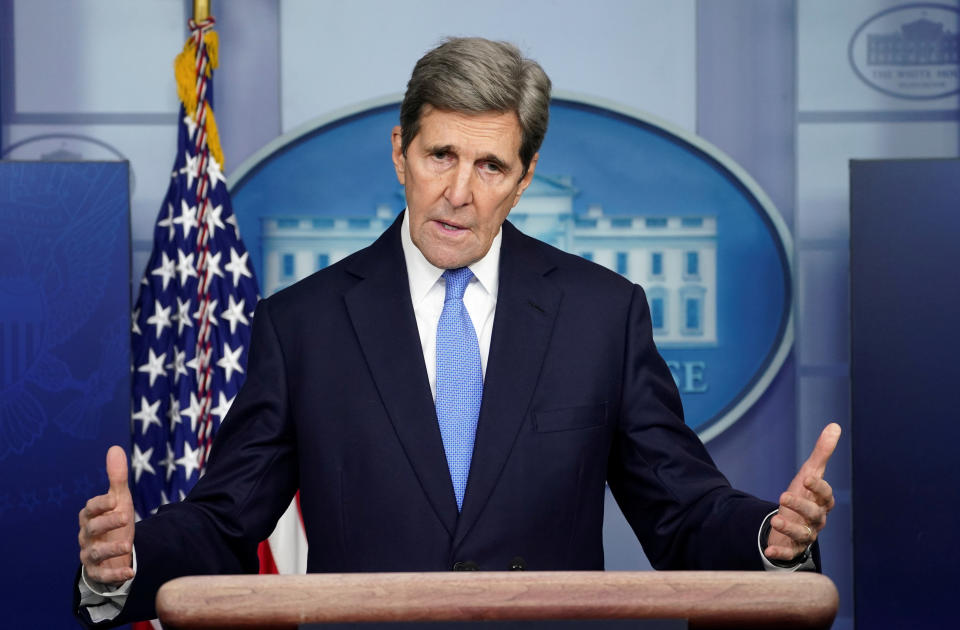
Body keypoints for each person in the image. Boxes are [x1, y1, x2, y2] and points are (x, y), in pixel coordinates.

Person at [76, 37, 839, 627]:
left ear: (525, 176)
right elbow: (225, 521)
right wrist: (128, 558)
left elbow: (681, 508)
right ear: (401, 152)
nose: (460, 193)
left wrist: (771, 533)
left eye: (490, 166)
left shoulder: (602, 313)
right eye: (441, 154)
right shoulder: (300, 325)